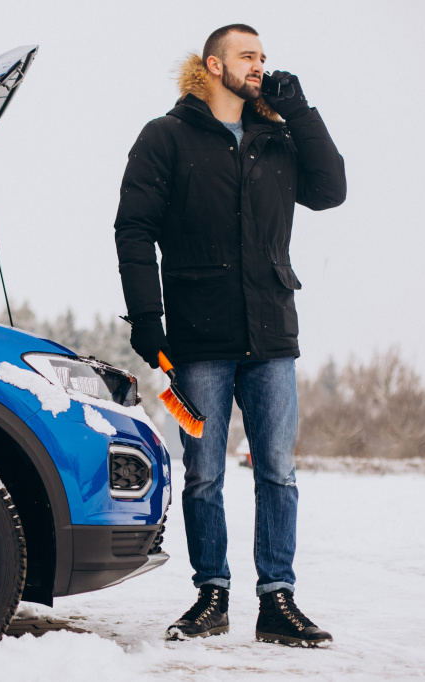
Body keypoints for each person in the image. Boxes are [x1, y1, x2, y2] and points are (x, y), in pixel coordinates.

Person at [113, 24, 346, 646]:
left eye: (264, 58)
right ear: (214, 64)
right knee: (203, 474)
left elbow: (332, 190)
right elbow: (133, 230)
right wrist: (147, 320)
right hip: (197, 338)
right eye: (249, 56)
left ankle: (279, 602)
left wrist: (297, 107)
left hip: (271, 334)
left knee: (278, 470)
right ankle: (210, 596)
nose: (260, 66)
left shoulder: (278, 138)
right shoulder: (165, 137)